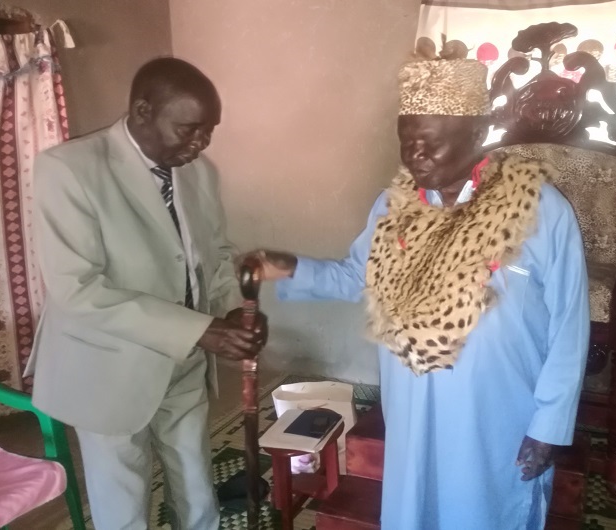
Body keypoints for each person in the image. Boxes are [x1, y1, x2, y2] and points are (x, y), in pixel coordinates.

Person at [244, 54, 589, 529]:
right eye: (408, 142)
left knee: (486, 510)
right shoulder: (392, 206)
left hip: (496, 413)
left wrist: (550, 426)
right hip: (412, 406)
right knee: (415, 510)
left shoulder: (541, 209)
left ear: (477, 134)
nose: (416, 156)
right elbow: (355, 276)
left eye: (432, 143)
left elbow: (570, 322)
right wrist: (286, 268)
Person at [25, 57, 266, 530]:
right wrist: (201, 329)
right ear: (142, 111)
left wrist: (235, 313)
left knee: (196, 481)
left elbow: (213, 255)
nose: (201, 143)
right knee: (123, 496)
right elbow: (78, 290)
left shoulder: (200, 172)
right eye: (189, 129)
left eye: (209, 131)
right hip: (109, 365)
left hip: (185, 361)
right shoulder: (69, 169)